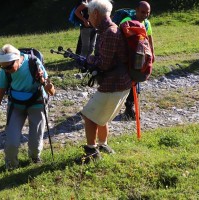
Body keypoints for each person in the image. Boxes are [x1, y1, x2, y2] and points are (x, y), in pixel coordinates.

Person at [75, 0, 131, 164]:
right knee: (101, 116)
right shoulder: (109, 30)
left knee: (89, 116)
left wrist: (89, 59)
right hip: (120, 83)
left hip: (114, 84)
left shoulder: (109, 33)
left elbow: (104, 63)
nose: (88, 18)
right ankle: (103, 145)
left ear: (96, 14)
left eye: (88, 14)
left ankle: (92, 152)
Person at [0, 44, 55, 170]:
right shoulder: (5, 69)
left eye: (9, 67)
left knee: (35, 144)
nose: (6, 70)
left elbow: (52, 92)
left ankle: (34, 158)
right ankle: (11, 165)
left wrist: (44, 82)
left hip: (37, 103)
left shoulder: (34, 63)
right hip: (16, 105)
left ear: (17, 59)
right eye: (3, 67)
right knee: (11, 143)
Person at [121, 1, 155, 120]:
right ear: (136, 10)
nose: (145, 15)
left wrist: (152, 53)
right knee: (128, 82)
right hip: (127, 57)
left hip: (140, 57)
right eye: (142, 12)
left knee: (136, 82)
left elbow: (149, 38)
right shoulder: (126, 21)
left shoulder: (146, 23)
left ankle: (129, 108)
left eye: (148, 12)